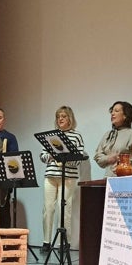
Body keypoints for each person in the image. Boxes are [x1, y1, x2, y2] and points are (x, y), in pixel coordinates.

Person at [39, 106, 85, 253]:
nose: (60, 119)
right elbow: (42, 156)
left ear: (70, 118)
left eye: (64, 116)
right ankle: (46, 241)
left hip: (68, 177)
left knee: (64, 208)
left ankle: (63, 243)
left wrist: (65, 158)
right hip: (51, 175)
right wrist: (51, 156)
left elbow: (78, 159)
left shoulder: (76, 136)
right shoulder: (52, 136)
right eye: (58, 116)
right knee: (48, 209)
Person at [94, 101, 132, 177]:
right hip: (109, 179)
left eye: (116, 111)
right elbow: (98, 156)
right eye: (112, 111)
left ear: (125, 115)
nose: (112, 113)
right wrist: (108, 158)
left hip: (131, 179)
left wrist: (123, 167)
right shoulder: (108, 135)